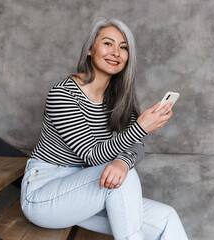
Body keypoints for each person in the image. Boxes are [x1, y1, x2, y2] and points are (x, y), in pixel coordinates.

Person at [20, 17, 188, 240]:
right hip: (44, 194)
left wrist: (122, 160)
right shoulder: (63, 95)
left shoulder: (118, 96)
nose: (116, 52)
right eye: (108, 43)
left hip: (89, 187)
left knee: (167, 217)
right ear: (90, 49)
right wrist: (140, 128)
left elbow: (136, 146)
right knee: (122, 176)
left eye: (123, 47)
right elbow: (92, 155)